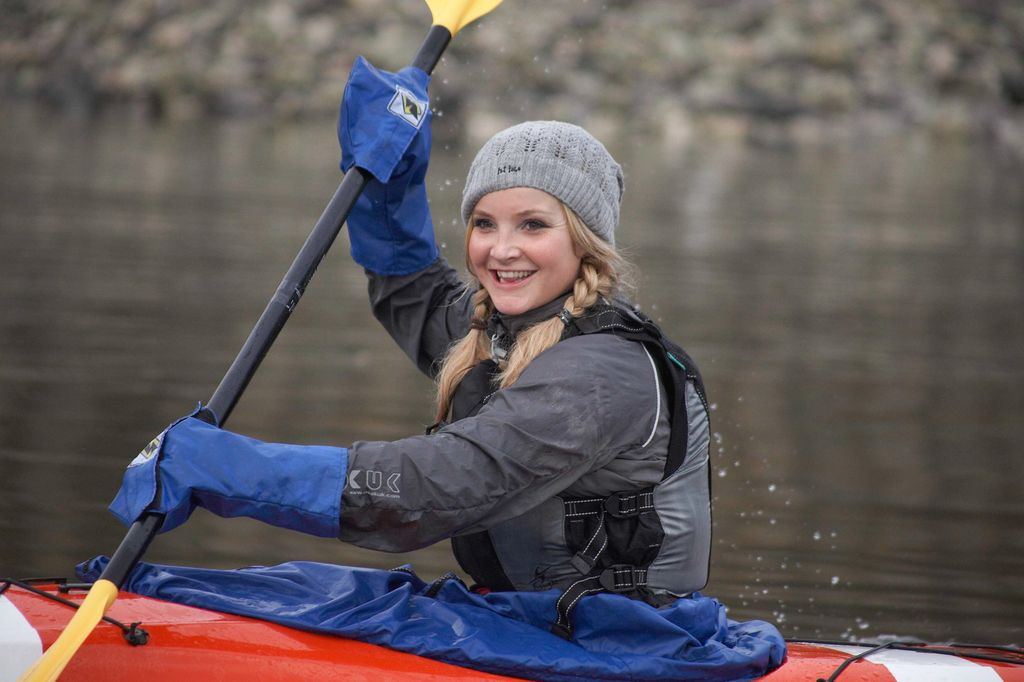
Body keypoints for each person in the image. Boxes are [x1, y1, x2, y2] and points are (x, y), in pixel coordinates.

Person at [110, 57, 713, 638]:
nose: (501, 250)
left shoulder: (603, 374)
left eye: (533, 225)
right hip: (519, 622)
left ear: (585, 243)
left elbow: (436, 487)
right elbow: (411, 291)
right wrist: (388, 180)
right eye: (484, 223)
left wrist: (231, 469)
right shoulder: (499, 325)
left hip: (622, 642)